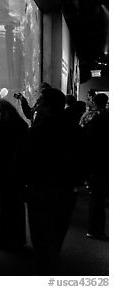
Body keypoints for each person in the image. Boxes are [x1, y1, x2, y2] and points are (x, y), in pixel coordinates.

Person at [20, 88, 84, 274]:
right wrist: (78, 181)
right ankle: (53, 263)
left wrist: (23, 185)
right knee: (58, 230)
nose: (37, 106)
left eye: (39, 103)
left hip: (39, 190)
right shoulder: (76, 130)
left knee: (40, 233)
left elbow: (23, 160)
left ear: (46, 106)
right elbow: (86, 157)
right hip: (66, 189)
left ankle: (43, 268)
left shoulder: (36, 131)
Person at [0, 98, 29, 249]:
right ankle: (18, 238)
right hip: (19, 171)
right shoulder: (22, 126)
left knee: (4, 203)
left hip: (2, 171)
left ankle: (1, 238)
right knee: (16, 204)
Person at [79, 93, 108, 240]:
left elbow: (83, 137)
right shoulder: (107, 116)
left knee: (96, 197)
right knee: (100, 195)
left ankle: (95, 229)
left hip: (95, 162)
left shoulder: (89, 117)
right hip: (104, 161)